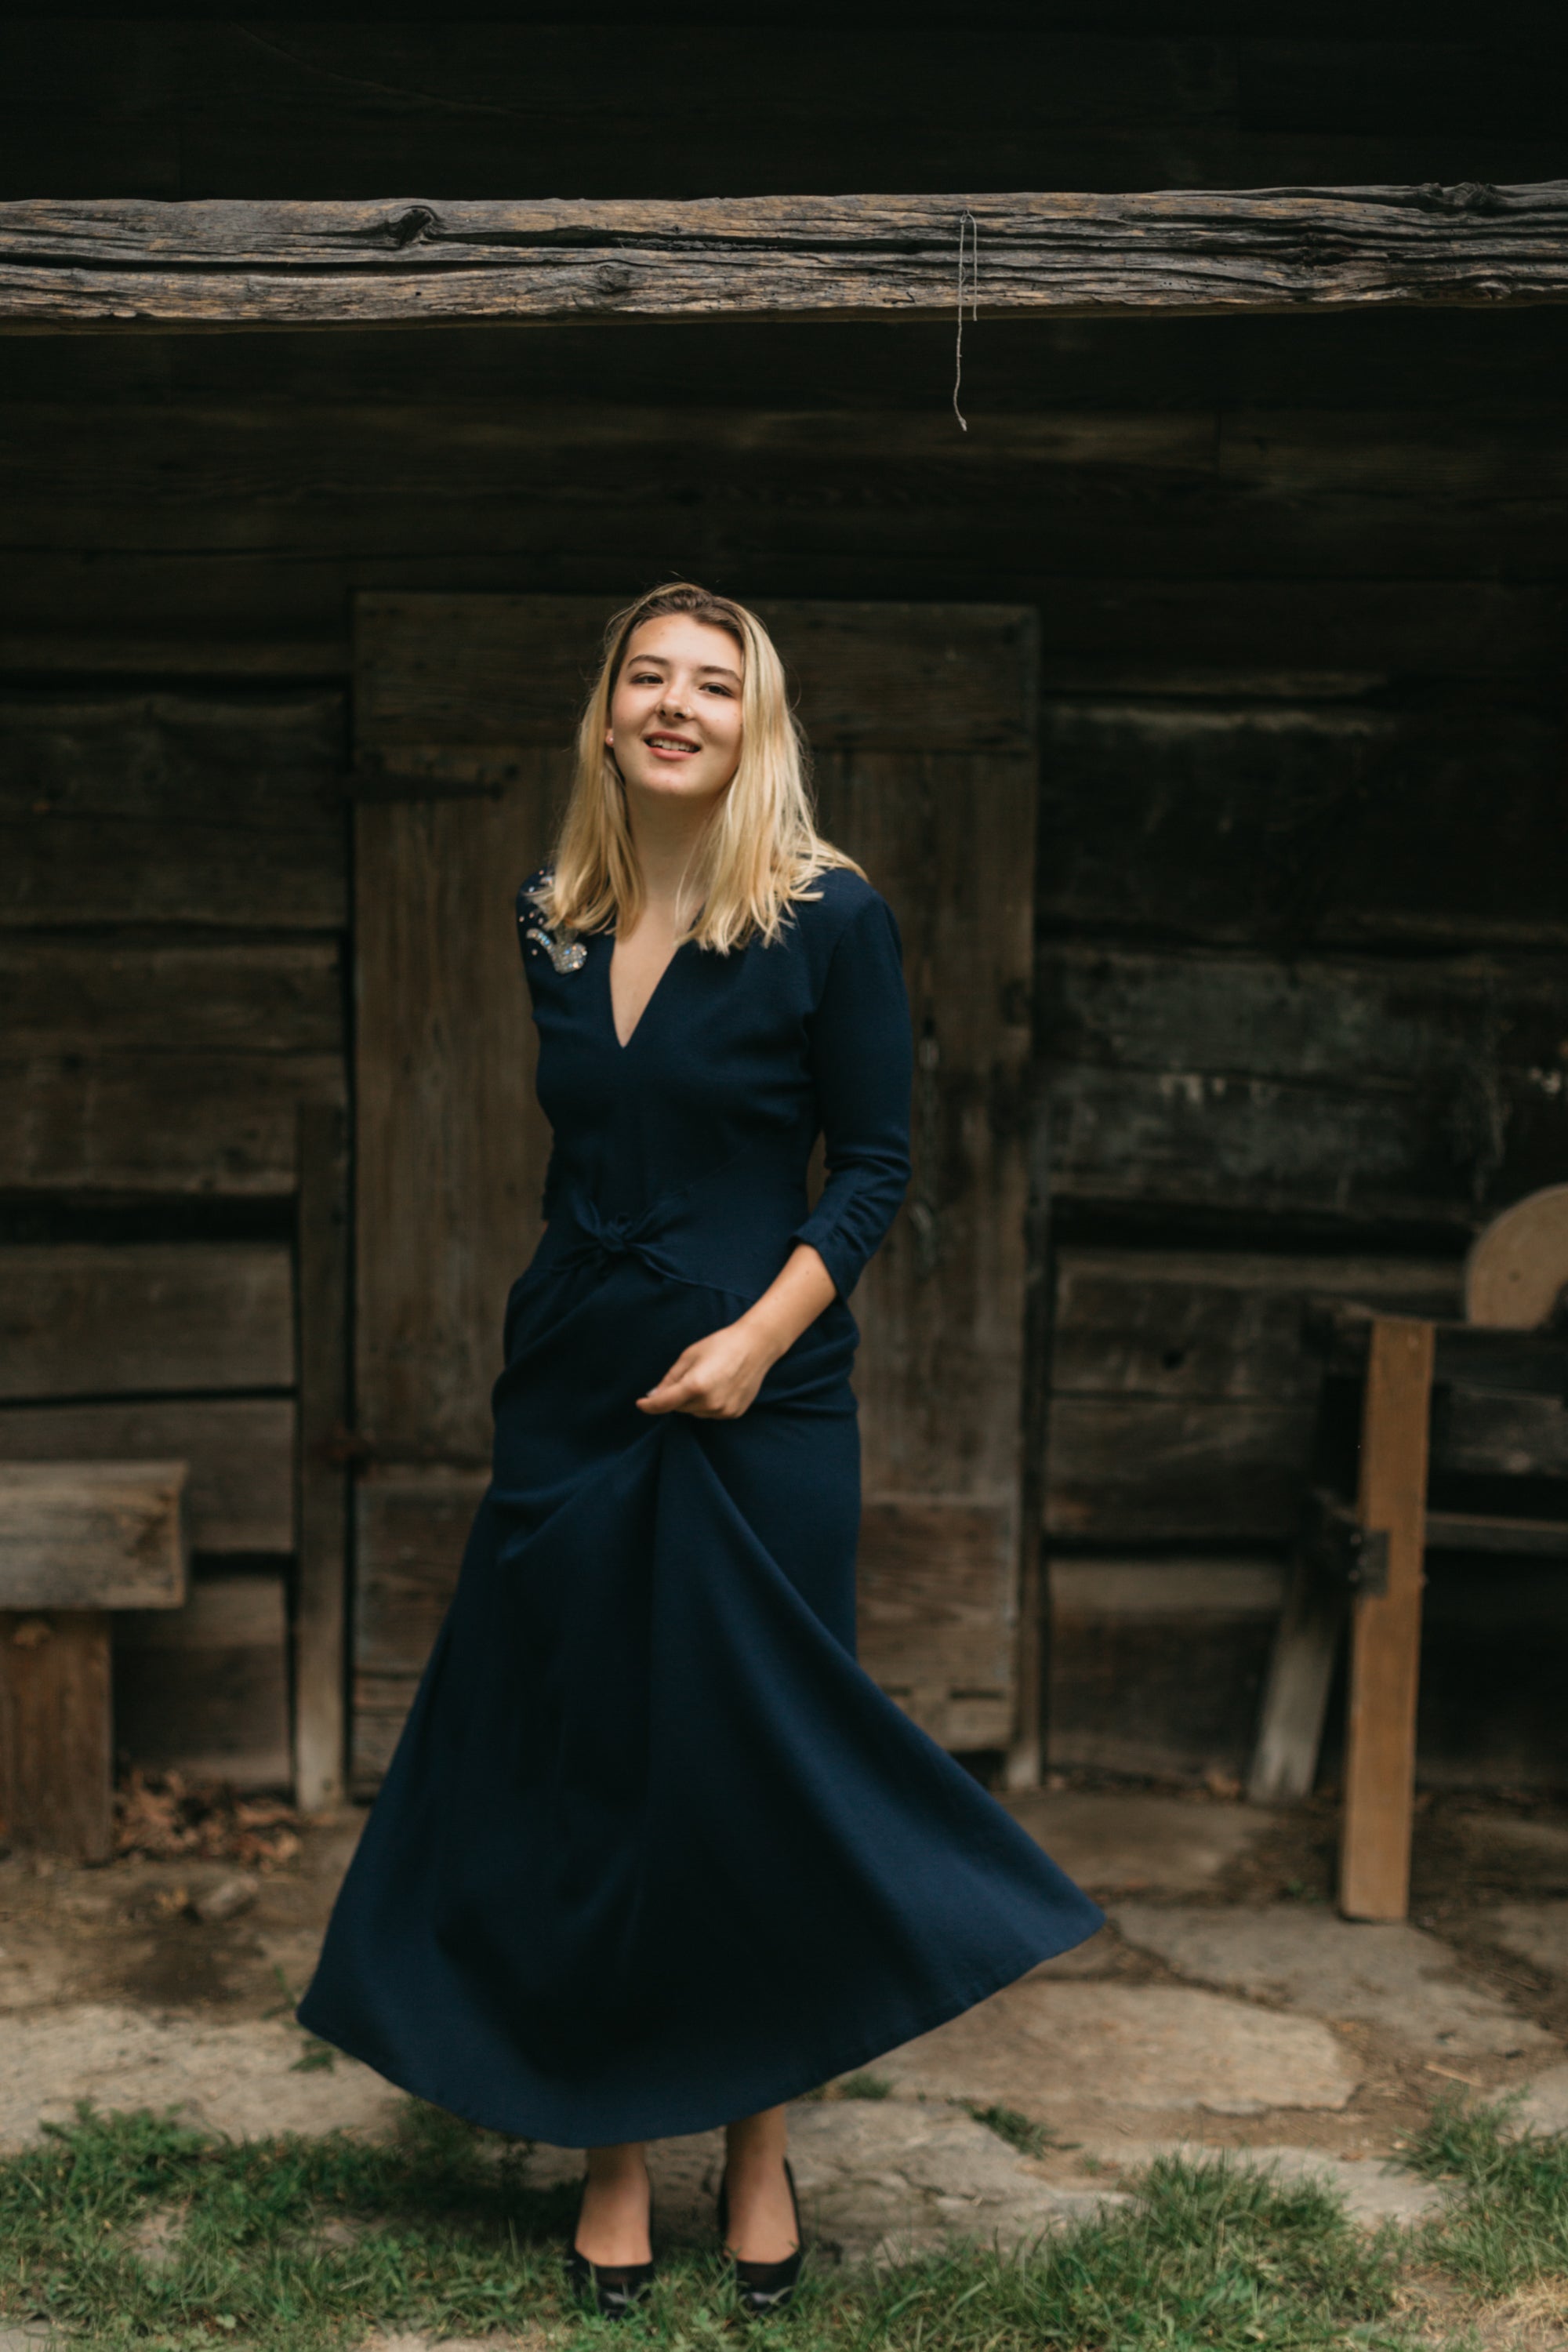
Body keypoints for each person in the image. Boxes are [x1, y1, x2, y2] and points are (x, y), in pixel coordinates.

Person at [296, 582, 1103, 2320]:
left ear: (756, 724)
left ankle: (752, 2147)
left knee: (738, 1779)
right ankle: (608, 2153)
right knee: (591, 1766)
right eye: (646, 679)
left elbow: (874, 1167)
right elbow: (586, 1164)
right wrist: (568, 1355)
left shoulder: (830, 919)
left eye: (711, 685)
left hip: (765, 1400)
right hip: (577, 1393)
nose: (675, 706)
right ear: (604, 718)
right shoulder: (552, 917)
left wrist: (748, 1345)